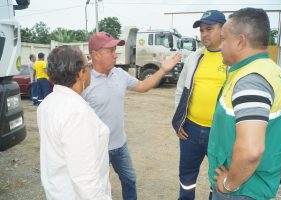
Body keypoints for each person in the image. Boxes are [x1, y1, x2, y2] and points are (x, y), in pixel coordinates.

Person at [82, 32, 181, 200]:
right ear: (96, 54)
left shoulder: (119, 74)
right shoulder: (84, 80)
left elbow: (142, 86)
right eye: (111, 50)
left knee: (129, 180)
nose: (116, 54)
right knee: (98, 188)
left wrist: (163, 70)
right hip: (97, 149)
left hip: (120, 145)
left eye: (116, 50)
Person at [207, 8, 281, 200]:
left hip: (243, 191)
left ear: (240, 41)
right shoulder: (269, 68)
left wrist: (228, 185)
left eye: (224, 38)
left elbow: (251, 150)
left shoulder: (251, 80)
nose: (220, 45)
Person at [37, 45, 111, 200]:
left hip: (58, 192)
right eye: (88, 66)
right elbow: (85, 180)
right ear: (80, 73)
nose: (90, 70)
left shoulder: (47, 103)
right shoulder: (76, 112)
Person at [172, 10, 227, 200]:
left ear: (223, 30)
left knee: (219, 178)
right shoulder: (195, 58)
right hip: (191, 130)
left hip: (220, 133)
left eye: (209, 29)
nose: (204, 34)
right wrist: (178, 121)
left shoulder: (232, 59)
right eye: (202, 30)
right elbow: (181, 90)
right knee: (187, 177)